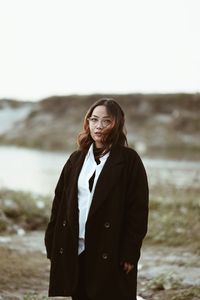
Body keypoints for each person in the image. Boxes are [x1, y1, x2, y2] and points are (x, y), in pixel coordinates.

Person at [44, 98, 149, 300]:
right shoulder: (76, 159)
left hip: (110, 248)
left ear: (116, 124)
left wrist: (130, 252)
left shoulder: (129, 160)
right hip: (76, 247)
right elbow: (59, 203)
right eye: (94, 119)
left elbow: (137, 210)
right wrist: (52, 241)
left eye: (106, 121)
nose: (98, 126)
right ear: (87, 123)